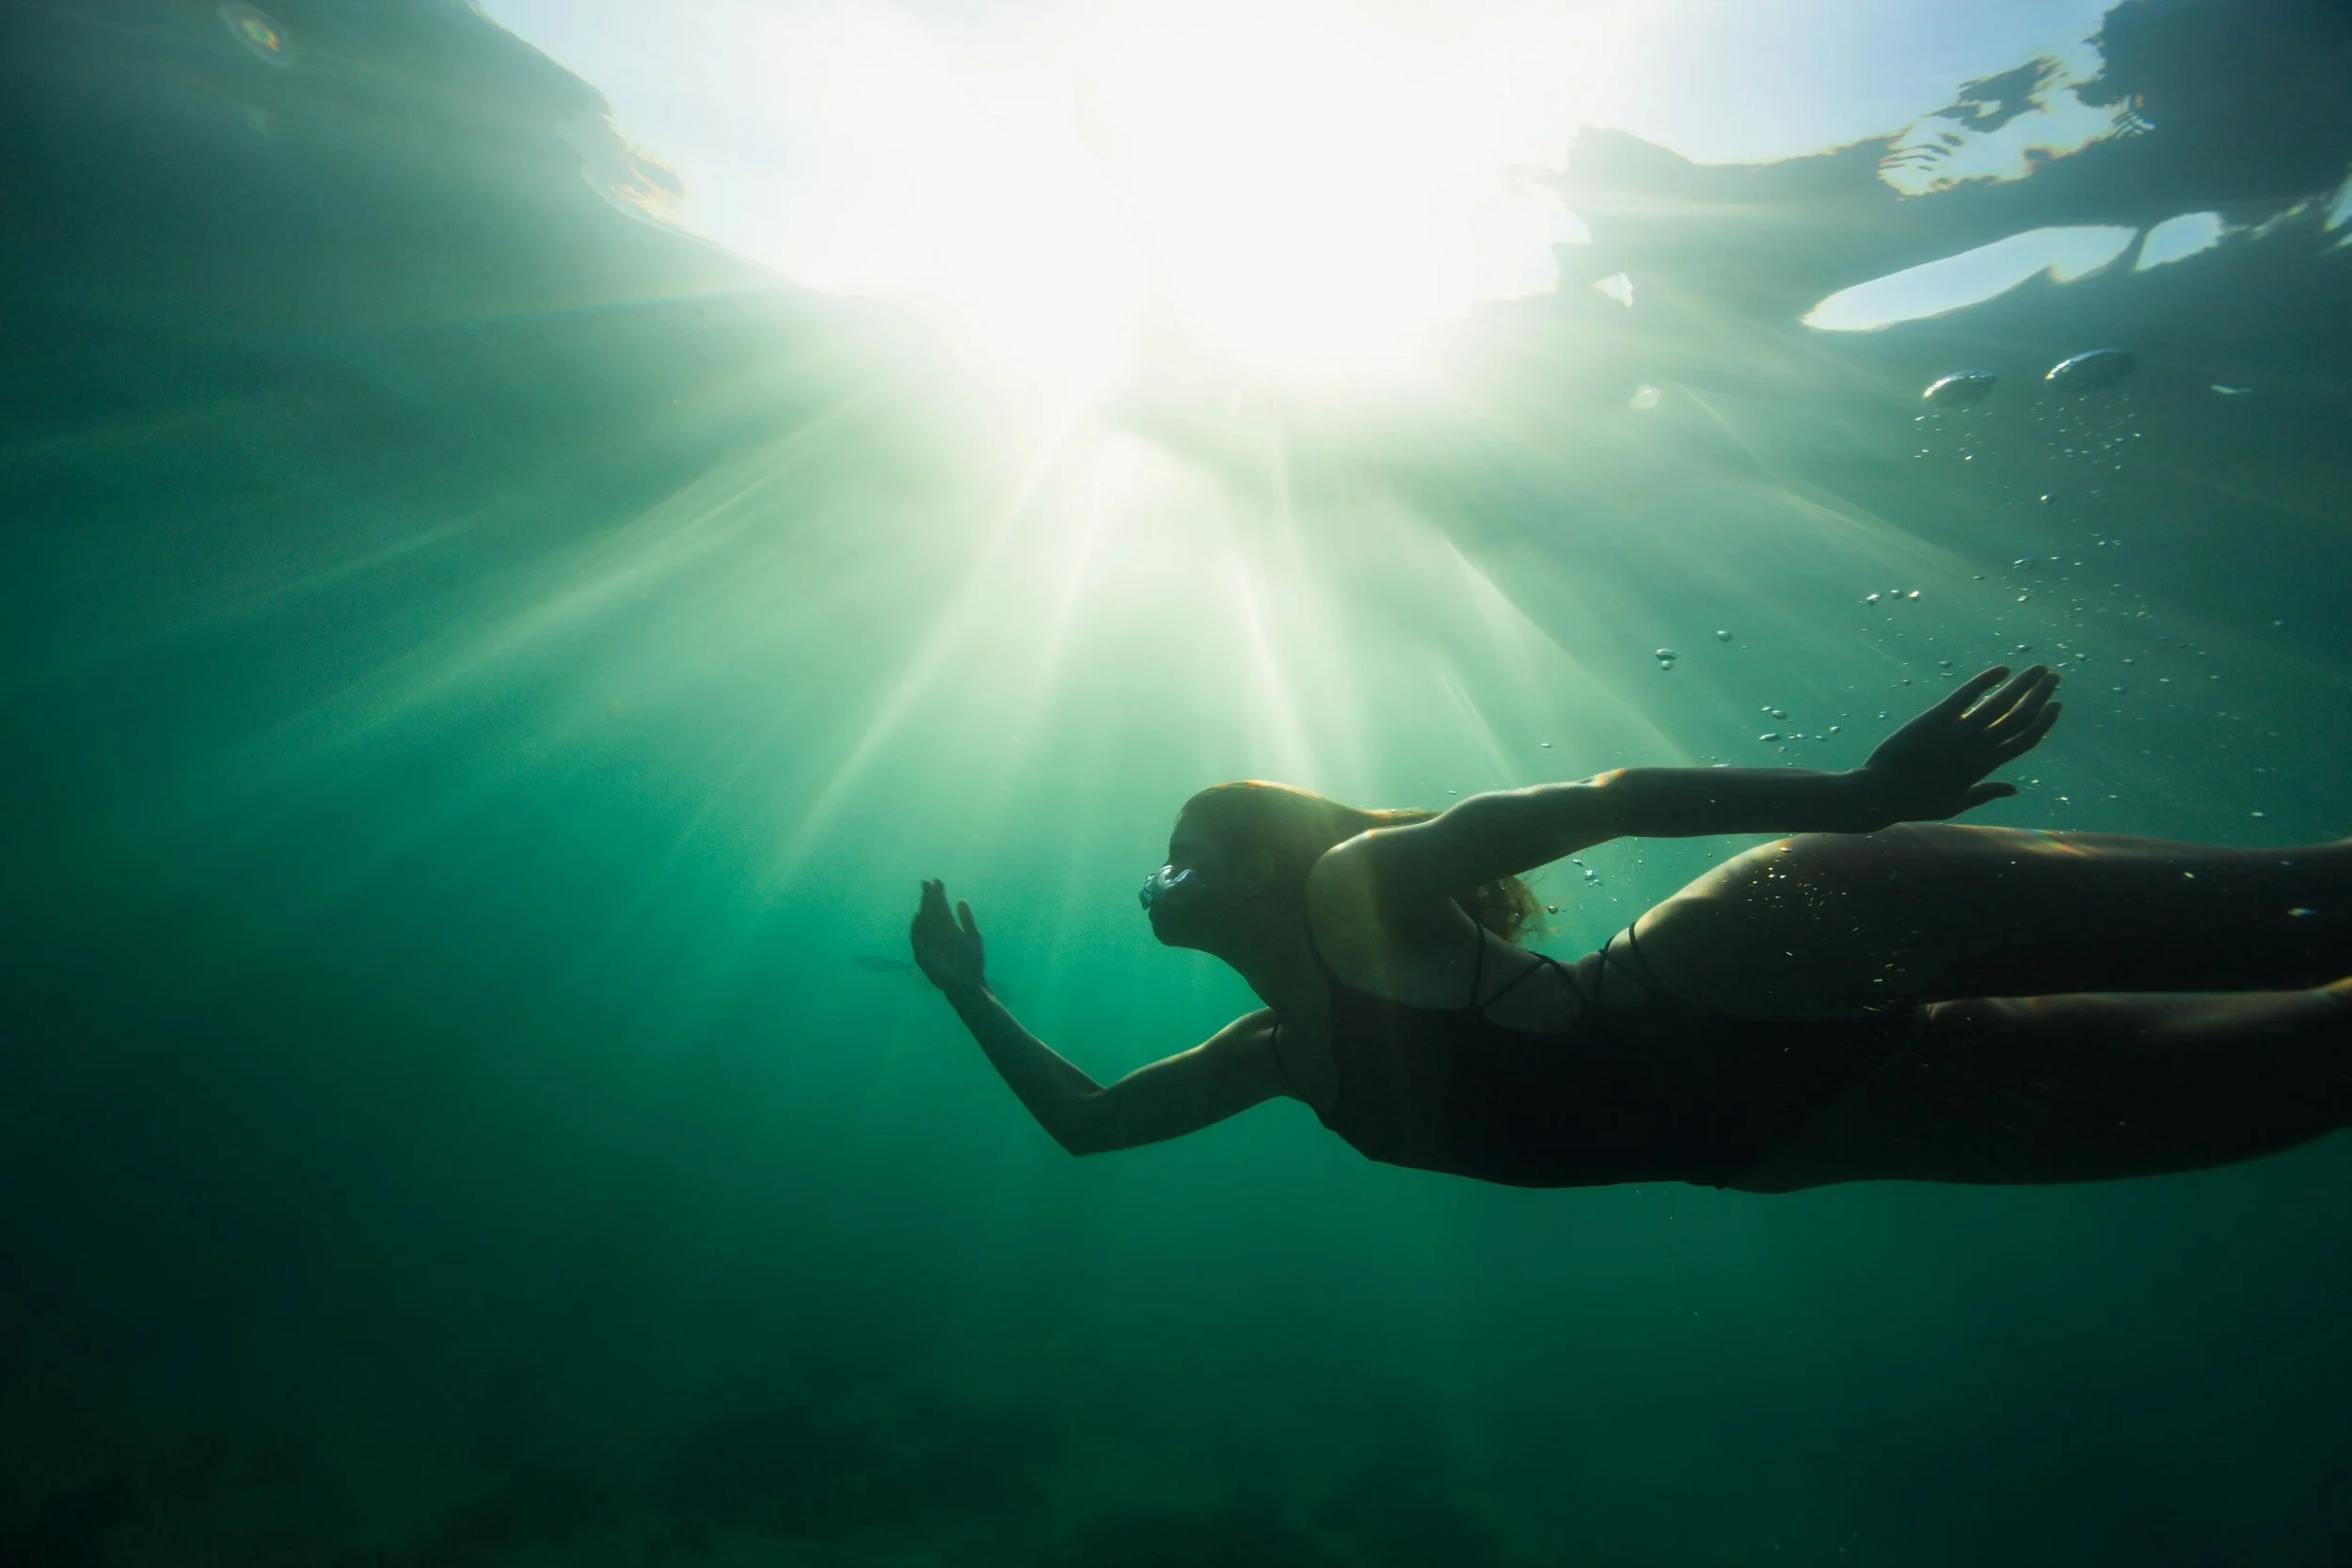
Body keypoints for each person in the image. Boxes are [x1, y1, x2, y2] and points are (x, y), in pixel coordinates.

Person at [909, 665, 2350, 1190]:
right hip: (1804, 1133)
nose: (1154, 883)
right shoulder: (1277, 1051)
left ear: (1263, 868)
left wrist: (1859, 796)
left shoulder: (1354, 890)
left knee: (2303, 913)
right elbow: (1091, 1123)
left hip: (1760, 953)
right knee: (2322, 1057)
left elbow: (1596, 802)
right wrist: (966, 991)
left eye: (1181, 857)